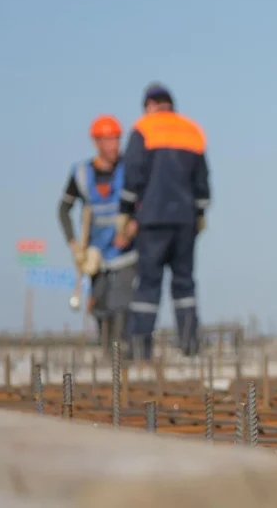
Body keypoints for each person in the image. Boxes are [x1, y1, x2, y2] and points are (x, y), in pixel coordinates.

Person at [115, 83, 210, 360]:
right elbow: (202, 183)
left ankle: (139, 347)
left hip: (152, 220)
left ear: (150, 105)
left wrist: (125, 212)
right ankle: (190, 344)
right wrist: (200, 215)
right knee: (184, 284)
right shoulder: (192, 130)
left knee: (148, 284)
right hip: (184, 221)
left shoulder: (144, 129)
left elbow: (132, 176)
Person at [57, 114, 137, 351]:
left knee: (121, 302)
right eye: (108, 140)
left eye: (116, 139)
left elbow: (146, 203)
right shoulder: (81, 174)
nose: (114, 146)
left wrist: (133, 227)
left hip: (126, 251)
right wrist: (74, 244)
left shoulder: (130, 169)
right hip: (95, 255)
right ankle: (106, 353)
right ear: (97, 143)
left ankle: (123, 354)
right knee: (100, 304)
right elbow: (63, 209)